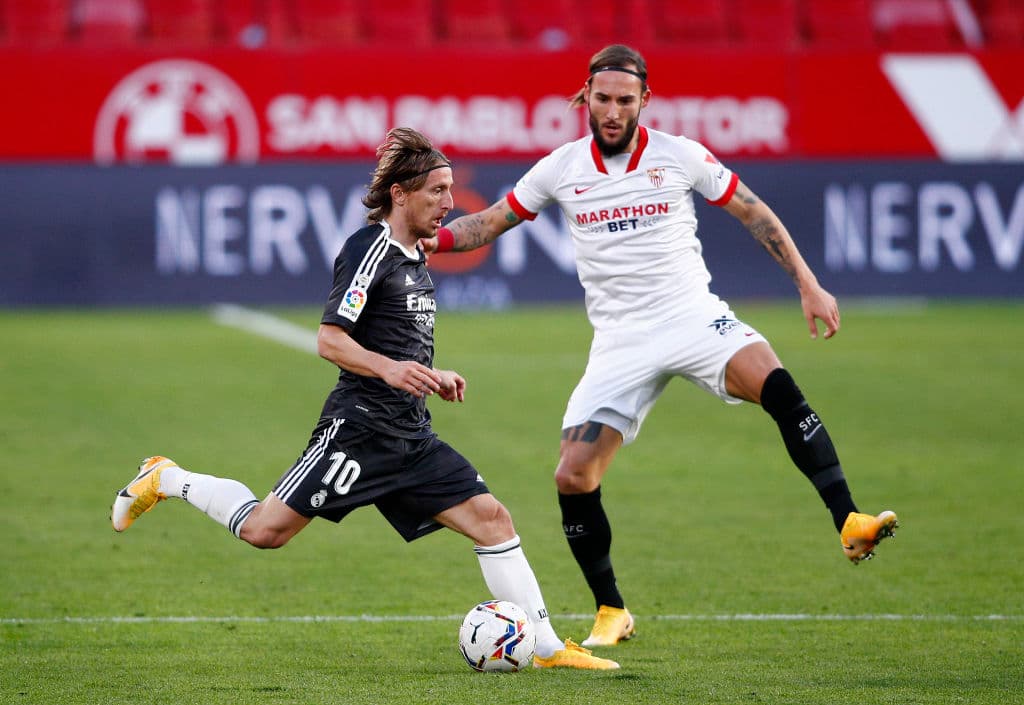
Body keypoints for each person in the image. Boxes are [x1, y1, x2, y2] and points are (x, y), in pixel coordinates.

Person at [421, 45, 899, 648]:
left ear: (644, 100)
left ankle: (849, 520)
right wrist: (430, 238)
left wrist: (808, 283)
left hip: (692, 317)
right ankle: (610, 610)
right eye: (603, 99)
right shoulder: (561, 168)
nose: (613, 111)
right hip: (620, 342)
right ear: (585, 99)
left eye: (625, 100)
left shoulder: (680, 156)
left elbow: (755, 214)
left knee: (777, 383)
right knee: (572, 475)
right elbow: (488, 222)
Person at [110, 127, 619, 671]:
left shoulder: (417, 255)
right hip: (358, 430)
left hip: (410, 434)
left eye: (450, 190)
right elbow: (330, 339)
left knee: (493, 518)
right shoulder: (368, 248)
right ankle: (167, 478)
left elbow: (398, 343)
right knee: (265, 531)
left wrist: (429, 374)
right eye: (438, 190)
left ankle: (545, 649)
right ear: (400, 193)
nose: (450, 202)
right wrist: (393, 370)